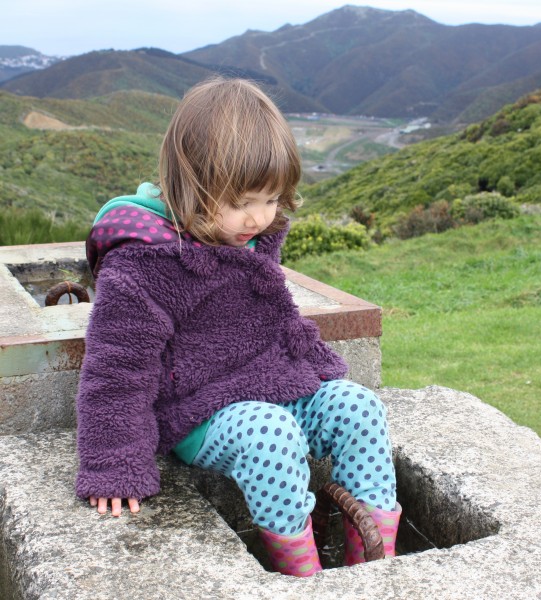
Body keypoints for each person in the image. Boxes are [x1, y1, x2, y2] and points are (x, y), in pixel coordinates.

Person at [76, 77, 401, 577]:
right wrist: (114, 463)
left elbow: (273, 314)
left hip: (271, 385)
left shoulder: (247, 233)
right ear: (192, 183)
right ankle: (303, 576)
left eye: (272, 198)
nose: (260, 216)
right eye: (243, 200)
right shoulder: (145, 262)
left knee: (359, 406)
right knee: (270, 434)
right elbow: (117, 367)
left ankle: (377, 569)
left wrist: (313, 365)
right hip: (202, 413)